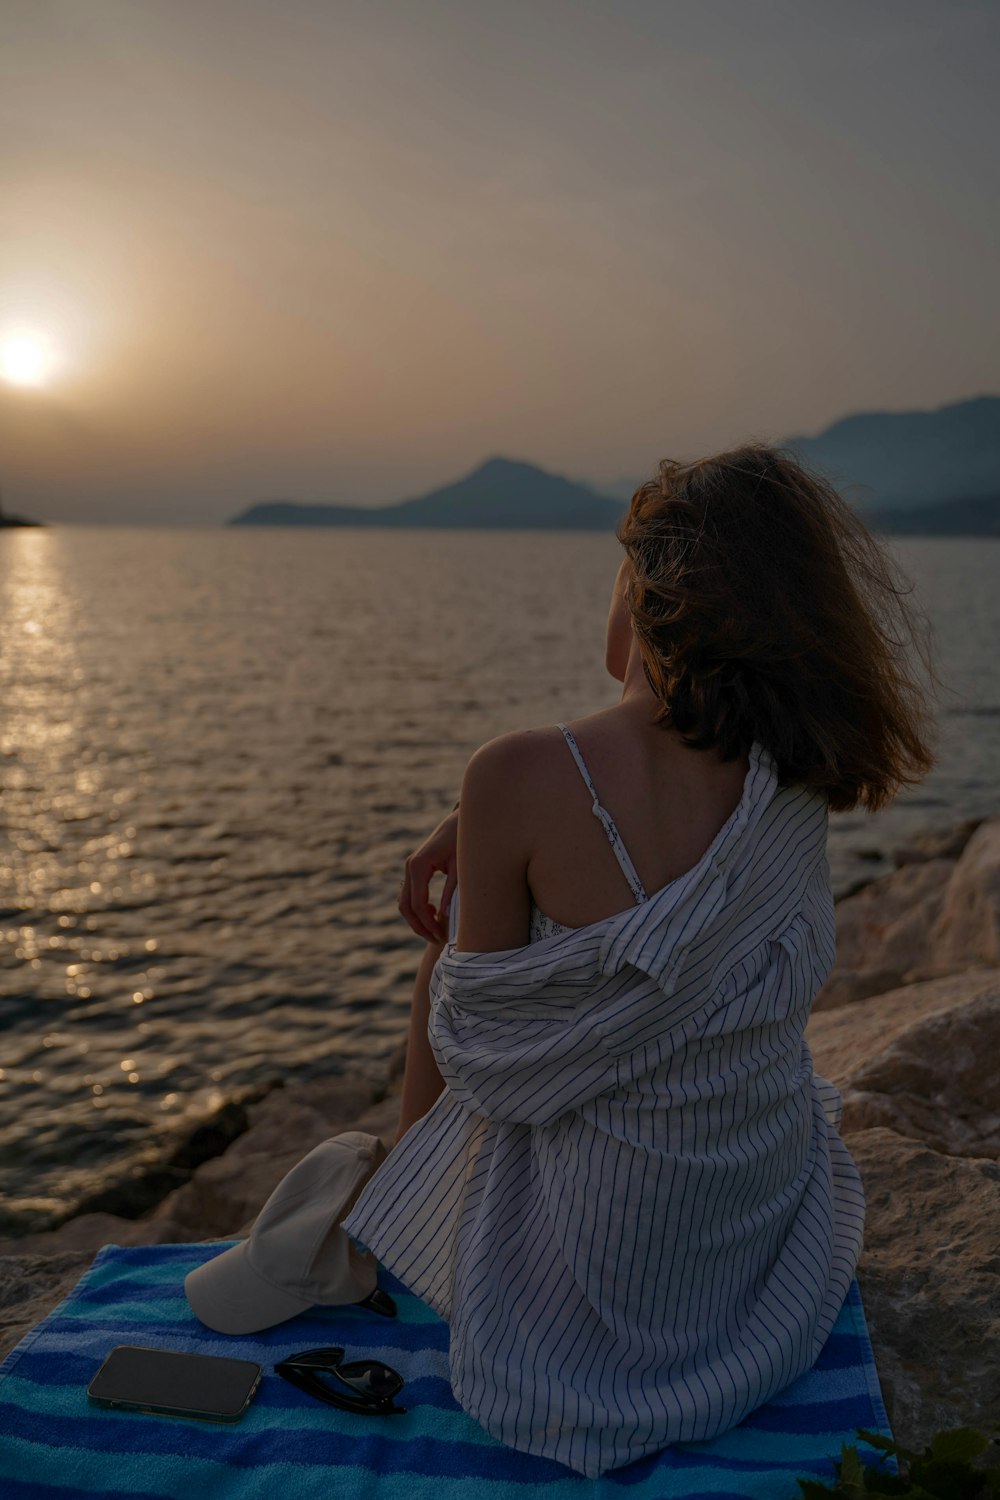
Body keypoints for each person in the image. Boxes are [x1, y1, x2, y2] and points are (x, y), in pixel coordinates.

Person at [342, 443, 936, 1477]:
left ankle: (391, 1228)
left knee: (449, 971)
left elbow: (486, 1057)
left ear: (647, 596)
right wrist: (472, 817)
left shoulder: (519, 772)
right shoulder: (794, 777)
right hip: (745, 1272)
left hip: (592, 1314)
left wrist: (481, 818)